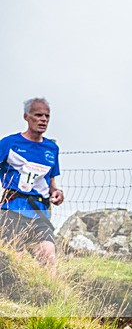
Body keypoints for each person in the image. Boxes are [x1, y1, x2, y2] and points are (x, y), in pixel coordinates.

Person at [0, 98, 64, 268]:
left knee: (49, 258)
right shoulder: (9, 143)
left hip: (39, 212)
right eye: (38, 115)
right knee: (14, 263)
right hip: (12, 210)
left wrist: (57, 193)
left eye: (47, 116)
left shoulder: (51, 148)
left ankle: (52, 287)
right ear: (26, 117)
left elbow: (51, 183)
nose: (43, 119)